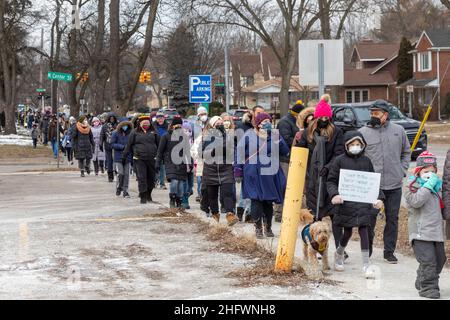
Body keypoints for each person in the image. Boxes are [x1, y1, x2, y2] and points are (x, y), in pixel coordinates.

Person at [326, 131, 385, 278]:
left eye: (358, 144)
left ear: (363, 145)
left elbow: (373, 182)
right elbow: (331, 180)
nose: (355, 147)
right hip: (346, 203)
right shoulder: (339, 161)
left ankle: (366, 265)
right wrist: (335, 195)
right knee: (347, 232)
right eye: (352, 144)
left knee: (364, 229)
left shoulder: (366, 161)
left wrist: (379, 198)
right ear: (346, 145)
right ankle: (339, 254)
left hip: (363, 203)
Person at [359, 99, 411, 263]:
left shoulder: (398, 130)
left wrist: (402, 170)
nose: (373, 116)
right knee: (369, 219)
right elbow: (358, 157)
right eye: (371, 113)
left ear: (385, 115)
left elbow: (406, 152)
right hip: (373, 185)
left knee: (392, 219)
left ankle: (389, 251)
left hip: (394, 184)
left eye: (376, 113)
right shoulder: (363, 132)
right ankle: (368, 250)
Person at [296, 95, 345, 250]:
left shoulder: (336, 132)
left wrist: (329, 167)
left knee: (336, 218)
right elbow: (300, 151)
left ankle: (339, 249)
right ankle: (315, 247)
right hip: (313, 180)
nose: (324, 119)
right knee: (315, 218)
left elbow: (339, 153)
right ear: (316, 117)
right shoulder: (307, 133)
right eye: (321, 117)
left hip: (331, 179)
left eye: (327, 117)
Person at [235, 112, 290, 238]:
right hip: (253, 172)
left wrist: (277, 138)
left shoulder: (275, 135)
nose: (267, 123)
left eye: (268, 121)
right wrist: (237, 170)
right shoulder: (249, 135)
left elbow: (285, 151)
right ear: (258, 124)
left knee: (268, 201)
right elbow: (239, 152)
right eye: (264, 121)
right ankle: (258, 228)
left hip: (270, 173)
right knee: (256, 200)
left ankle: (268, 227)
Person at [405, 151, 446, 299]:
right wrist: (428, 186)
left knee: (440, 260)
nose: (430, 174)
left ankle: (422, 278)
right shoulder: (412, 186)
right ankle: (428, 288)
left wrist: (435, 186)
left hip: (436, 232)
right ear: (418, 171)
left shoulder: (438, 187)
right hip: (420, 232)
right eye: (426, 171)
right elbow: (416, 201)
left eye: (433, 171)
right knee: (429, 261)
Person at [200, 116, 239, 226]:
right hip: (210, 169)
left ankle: (230, 214)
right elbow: (202, 153)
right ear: (212, 125)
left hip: (225, 168)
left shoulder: (229, 136)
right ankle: (215, 214)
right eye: (217, 124)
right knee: (212, 195)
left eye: (222, 123)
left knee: (227, 193)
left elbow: (232, 150)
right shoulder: (207, 137)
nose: (220, 125)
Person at [274, 101, 304, 222]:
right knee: (283, 186)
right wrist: (301, 139)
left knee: (295, 187)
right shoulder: (285, 123)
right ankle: (279, 213)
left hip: (296, 158)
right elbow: (285, 140)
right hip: (285, 159)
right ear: (297, 115)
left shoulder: (296, 122)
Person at [156, 117, 191, 209]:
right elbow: (160, 151)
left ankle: (179, 201)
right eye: (177, 125)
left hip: (181, 162)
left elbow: (187, 151)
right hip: (169, 161)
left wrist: (189, 163)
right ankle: (172, 199)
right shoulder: (165, 136)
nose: (178, 127)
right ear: (172, 126)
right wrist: (157, 163)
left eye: (180, 125)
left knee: (180, 184)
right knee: (174, 181)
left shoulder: (184, 137)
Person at [123, 115, 159, 204]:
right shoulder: (134, 132)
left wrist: (160, 156)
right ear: (140, 123)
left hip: (152, 158)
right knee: (142, 178)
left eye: (147, 122)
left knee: (151, 178)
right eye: (144, 122)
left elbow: (159, 145)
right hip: (139, 159)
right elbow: (129, 145)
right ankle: (143, 196)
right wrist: (124, 156)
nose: (146, 124)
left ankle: (148, 194)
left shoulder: (154, 132)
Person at [111, 118, 133, 198]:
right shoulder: (115, 133)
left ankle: (125, 191)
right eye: (123, 125)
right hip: (118, 157)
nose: (125, 127)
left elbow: (132, 144)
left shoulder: (131, 134)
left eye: (126, 125)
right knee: (120, 174)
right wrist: (122, 147)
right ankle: (119, 187)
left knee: (126, 175)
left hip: (127, 157)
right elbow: (112, 144)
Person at [100, 112, 118, 182]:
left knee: (117, 161)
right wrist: (100, 144)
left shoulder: (117, 125)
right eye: (111, 118)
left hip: (116, 146)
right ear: (108, 119)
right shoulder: (104, 126)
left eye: (113, 118)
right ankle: (110, 176)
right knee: (109, 161)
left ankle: (117, 173)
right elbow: (102, 135)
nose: (112, 120)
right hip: (108, 145)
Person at [153, 112, 169, 190]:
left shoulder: (167, 126)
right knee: (155, 166)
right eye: (158, 118)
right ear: (156, 118)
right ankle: (155, 181)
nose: (160, 119)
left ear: (164, 118)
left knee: (162, 167)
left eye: (161, 117)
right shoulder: (153, 126)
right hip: (155, 148)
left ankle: (162, 183)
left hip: (164, 149)